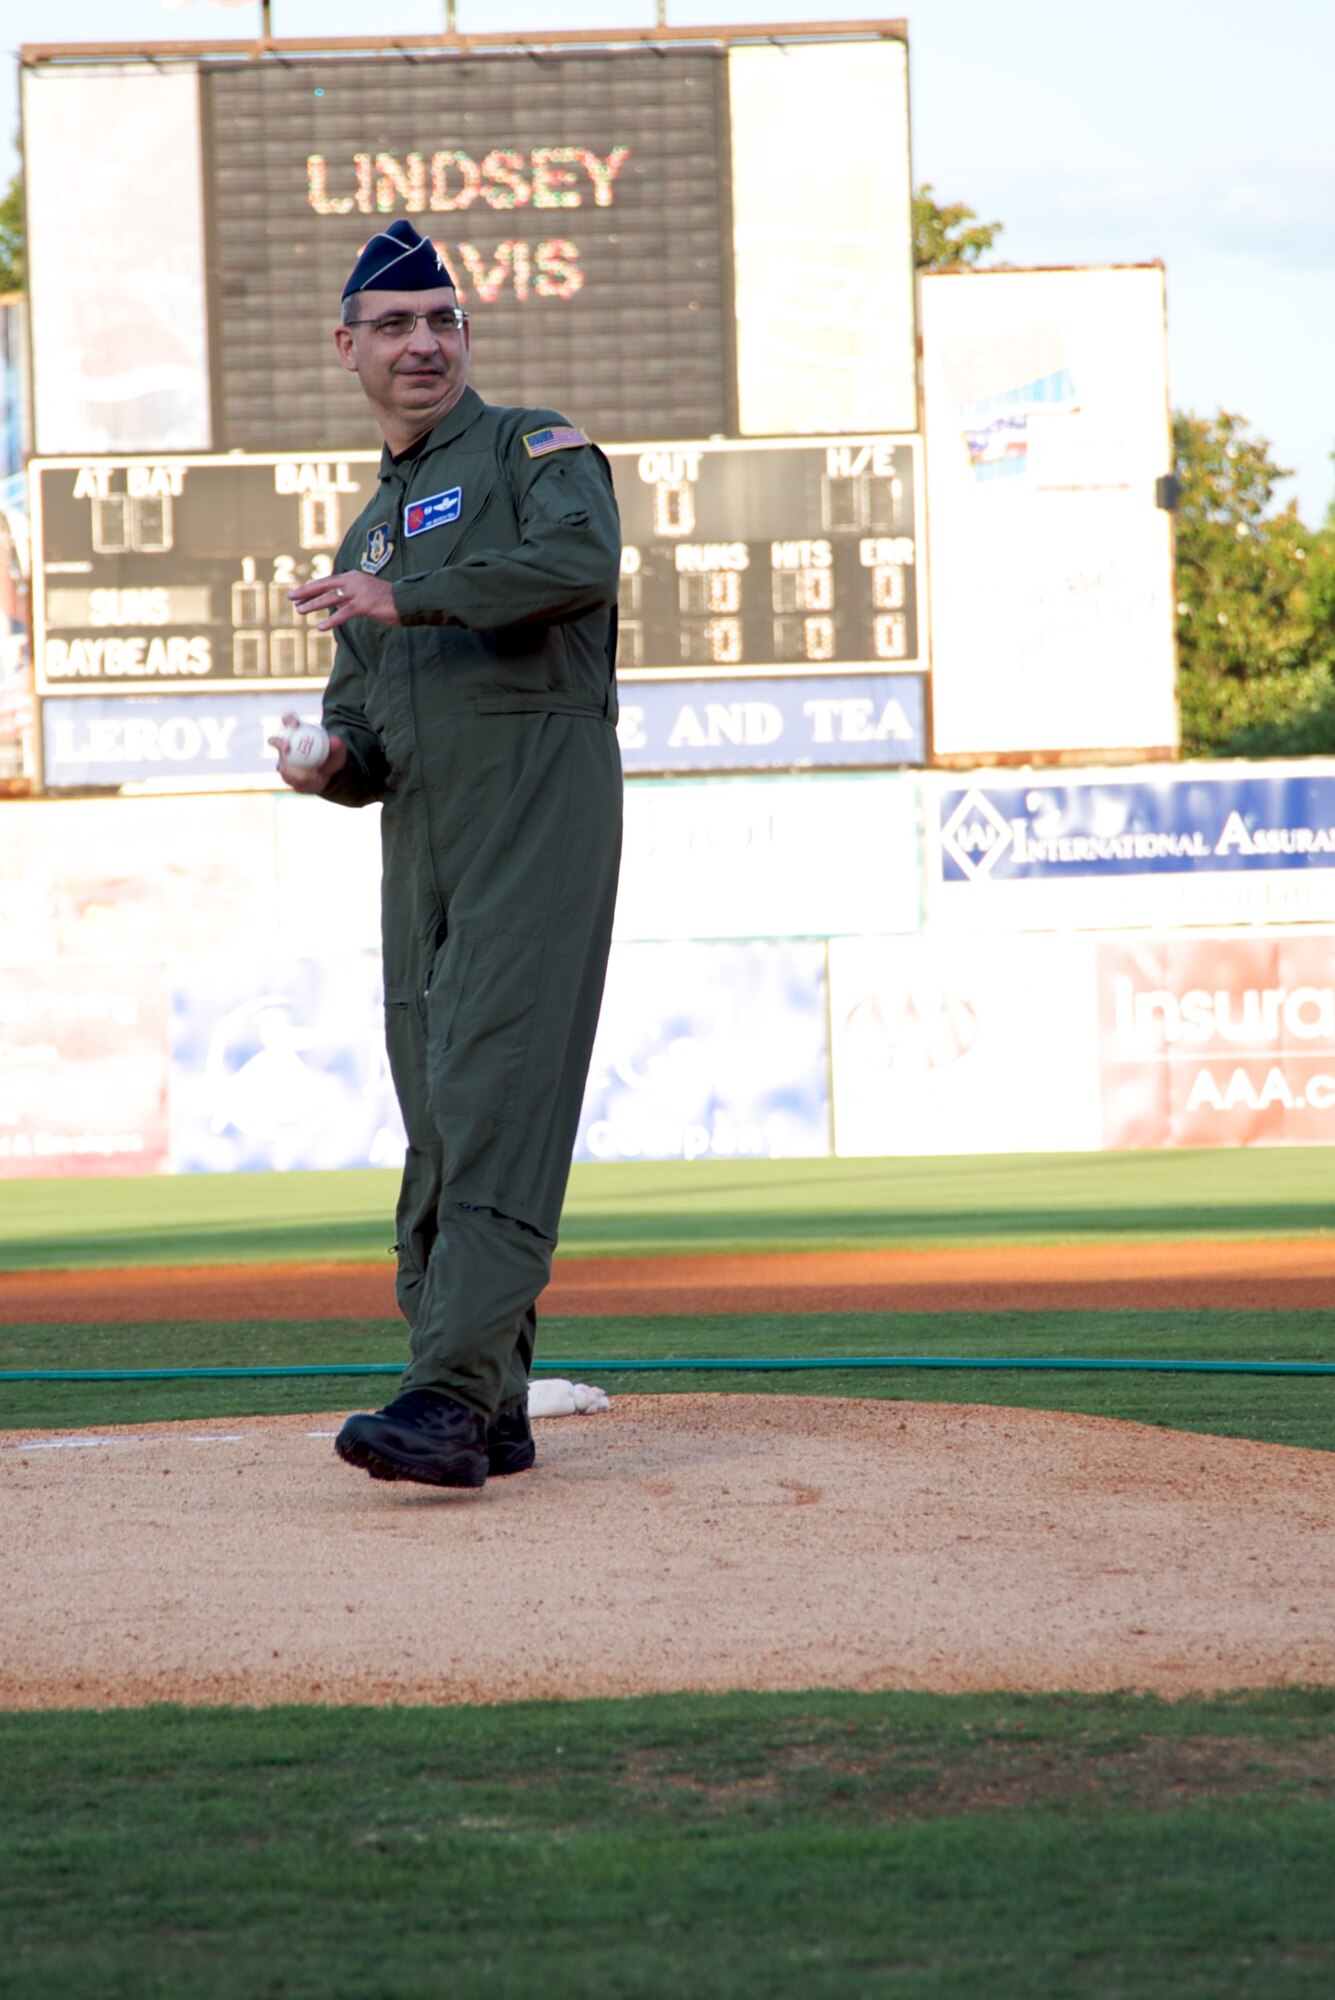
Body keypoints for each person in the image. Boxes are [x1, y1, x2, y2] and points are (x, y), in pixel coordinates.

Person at [272, 219, 622, 1491]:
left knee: (493, 1100)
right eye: (398, 324)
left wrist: (411, 597)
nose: (425, 343)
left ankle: (442, 1392)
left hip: (538, 814)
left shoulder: (534, 447)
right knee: (438, 1115)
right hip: (424, 847)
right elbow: (364, 730)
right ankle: (494, 1401)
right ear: (350, 347)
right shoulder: (367, 538)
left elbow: (582, 560)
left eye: (445, 320)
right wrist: (327, 764)